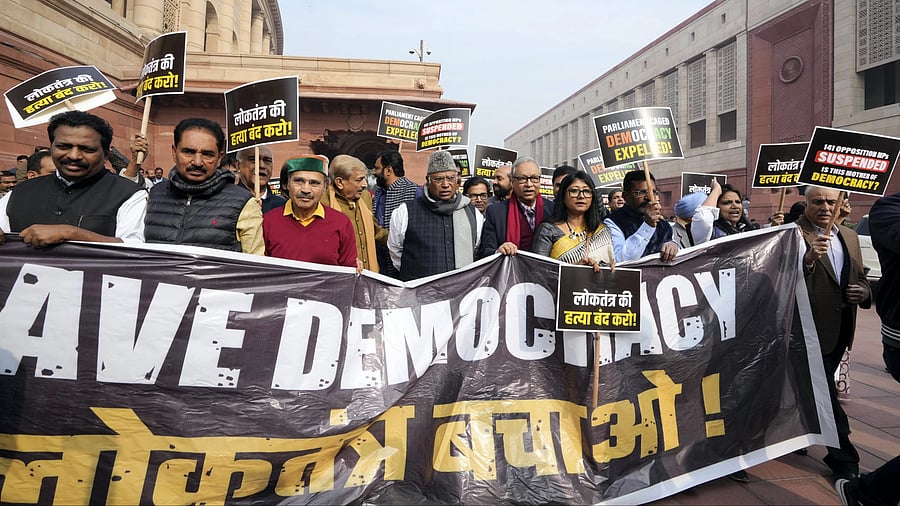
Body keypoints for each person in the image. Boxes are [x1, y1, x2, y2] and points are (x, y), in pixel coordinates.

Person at [797, 186, 870, 482]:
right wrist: (808, 260)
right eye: (818, 202)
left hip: (841, 328)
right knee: (824, 392)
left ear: (841, 204)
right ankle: (843, 458)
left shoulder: (849, 236)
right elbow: (779, 278)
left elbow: (861, 276)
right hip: (806, 330)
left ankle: (798, 435)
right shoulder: (792, 234)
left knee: (809, 390)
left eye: (831, 201)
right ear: (805, 204)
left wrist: (863, 291)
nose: (825, 207)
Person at [0, 110, 147, 246]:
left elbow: (135, 249)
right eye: (63, 147)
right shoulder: (19, 192)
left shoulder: (130, 194)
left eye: (87, 149)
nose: (74, 156)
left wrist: (72, 234)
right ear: (51, 147)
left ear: (106, 154)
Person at [143, 117, 263, 254]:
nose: (198, 162)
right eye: (188, 152)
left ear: (219, 158)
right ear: (174, 152)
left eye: (207, 154)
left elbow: (255, 266)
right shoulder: (152, 196)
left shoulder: (244, 204)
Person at [388, 150, 483, 281]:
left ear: (458, 181)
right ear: (428, 181)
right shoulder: (404, 212)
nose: (445, 185)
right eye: (438, 179)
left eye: (450, 178)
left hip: (460, 293)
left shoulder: (473, 213)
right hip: (418, 294)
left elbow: (476, 248)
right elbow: (395, 252)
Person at [264, 155, 357, 268]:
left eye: (314, 183)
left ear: (325, 187)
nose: (306, 190)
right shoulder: (268, 221)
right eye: (298, 181)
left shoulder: (341, 223)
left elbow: (349, 272)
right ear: (287, 184)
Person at [533, 170, 613, 269]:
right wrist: (573, 270)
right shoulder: (548, 230)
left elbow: (611, 267)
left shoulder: (602, 230)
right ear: (563, 196)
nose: (581, 196)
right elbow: (538, 272)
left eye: (587, 191)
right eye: (574, 191)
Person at [321, 154, 386, 272]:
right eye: (359, 179)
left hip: (369, 275)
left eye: (365, 178)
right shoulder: (322, 203)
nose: (365, 184)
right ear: (340, 182)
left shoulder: (365, 197)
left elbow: (376, 231)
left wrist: (405, 240)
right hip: (340, 276)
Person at [479, 156, 554, 257]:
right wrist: (499, 251)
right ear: (513, 183)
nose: (529, 184)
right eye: (522, 179)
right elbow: (485, 251)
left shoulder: (553, 209)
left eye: (534, 178)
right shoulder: (496, 212)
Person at [604, 170, 677, 263]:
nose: (649, 197)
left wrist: (673, 245)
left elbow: (677, 249)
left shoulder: (663, 224)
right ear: (626, 196)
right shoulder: (612, 222)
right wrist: (647, 226)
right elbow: (620, 260)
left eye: (653, 192)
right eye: (641, 192)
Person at [372, 150, 420, 277]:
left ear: (388, 170)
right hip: (379, 264)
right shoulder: (378, 192)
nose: (374, 172)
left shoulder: (414, 191)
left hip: (403, 266)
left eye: (377, 168)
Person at [691, 180, 783, 244]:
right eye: (727, 203)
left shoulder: (746, 229)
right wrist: (716, 190)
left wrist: (774, 227)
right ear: (716, 207)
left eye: (738, 202)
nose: (734, 206)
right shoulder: (708, 233)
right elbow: (703, 218)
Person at [236, 145, 287, 213]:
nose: (261, 165)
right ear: (238, 166)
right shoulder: (227, 201)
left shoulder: (283, 206)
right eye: (253, 160)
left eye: (267, 161)